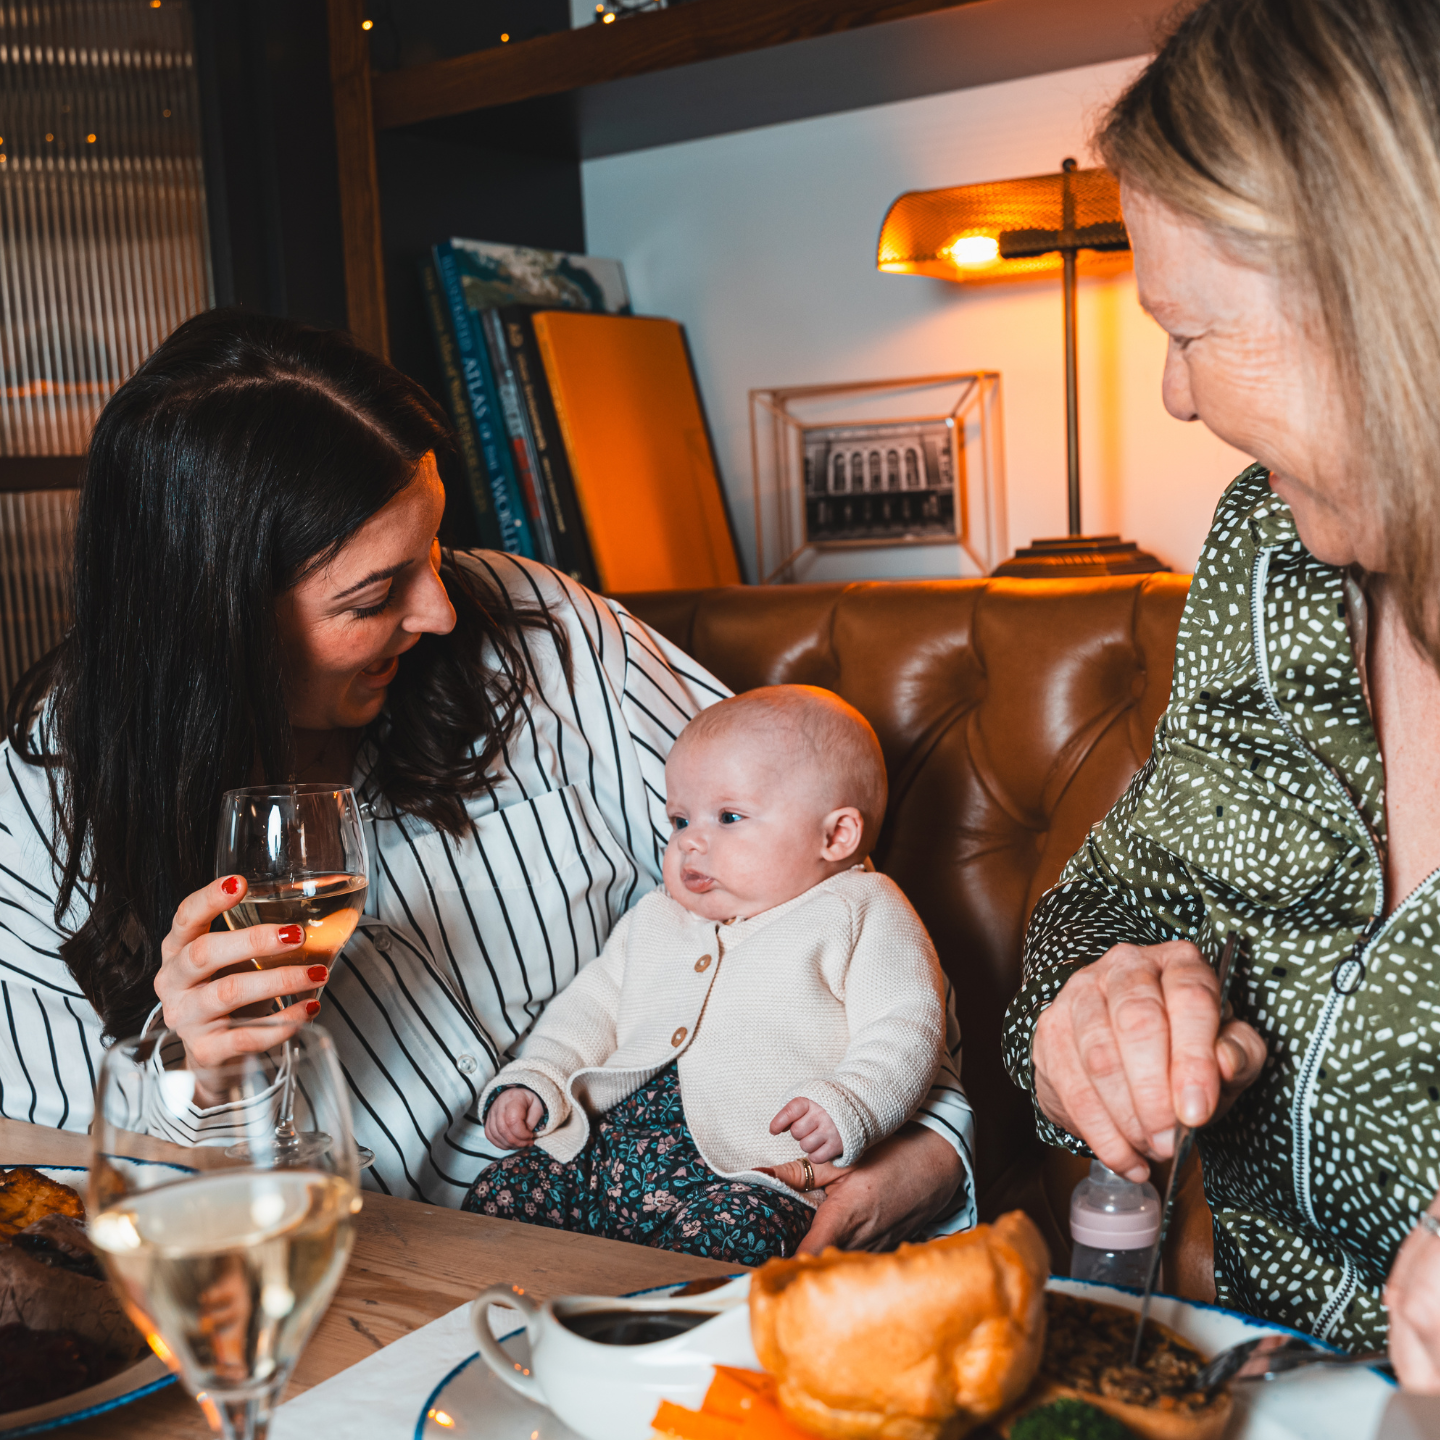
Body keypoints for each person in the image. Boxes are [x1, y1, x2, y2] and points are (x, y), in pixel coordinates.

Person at [0, 307, 975, 1254]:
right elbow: (64, 1195)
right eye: (373, 594)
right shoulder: (44, 811)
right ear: (216, 618)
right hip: (359, 1285)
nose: (440, 611)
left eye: (432, 548)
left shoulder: (547, 638)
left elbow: (828, 903)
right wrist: (204, 1081)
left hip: (681, 1226)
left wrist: (927, 1154)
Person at [1001, 0, 1440, 1377]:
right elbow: (1116, 900)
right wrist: (1100, 1002)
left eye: (1191, 330)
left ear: (1393, 302)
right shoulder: (1270, 553)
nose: (1176, 398)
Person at [470, 686, 946, 1263]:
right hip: (602, 1157)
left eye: (729, 817)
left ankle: (657, 1316)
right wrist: (538, 1076)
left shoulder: (862, 908)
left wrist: (855, 1101)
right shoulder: (657, 918)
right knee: (504, 1191)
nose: (689, 841)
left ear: (835, 836)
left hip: (747, 1175)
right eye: (679, 819)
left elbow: (906, 1022)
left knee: (737, 1236)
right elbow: (588, 1009)